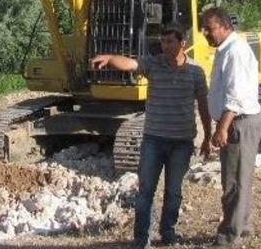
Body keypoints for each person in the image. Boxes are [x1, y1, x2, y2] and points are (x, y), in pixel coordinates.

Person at [90, 24, 212, 249]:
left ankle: (168, 233)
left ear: (182, 43)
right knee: (145, 191)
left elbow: (204, 106)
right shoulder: (153, 64)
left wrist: (208, 136)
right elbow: (131, 63)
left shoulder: (196, 72)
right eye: (163, 42)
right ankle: (141, 239)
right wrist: (110, 58)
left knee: (173, 192)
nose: (165, 46)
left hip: (181, 142)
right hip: (153, 140)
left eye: (170, 42)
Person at [200, 7, 261, 248]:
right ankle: (242, 227)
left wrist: (222, 127)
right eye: (204, 29)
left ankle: (228, 237)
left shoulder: (235, 51)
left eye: (210, 29)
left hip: (238, 121)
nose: (206, 33)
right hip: (236, 120)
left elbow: (235, 95)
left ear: (226, 26)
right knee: (239, 178)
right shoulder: (225, 49)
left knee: (234, 182)